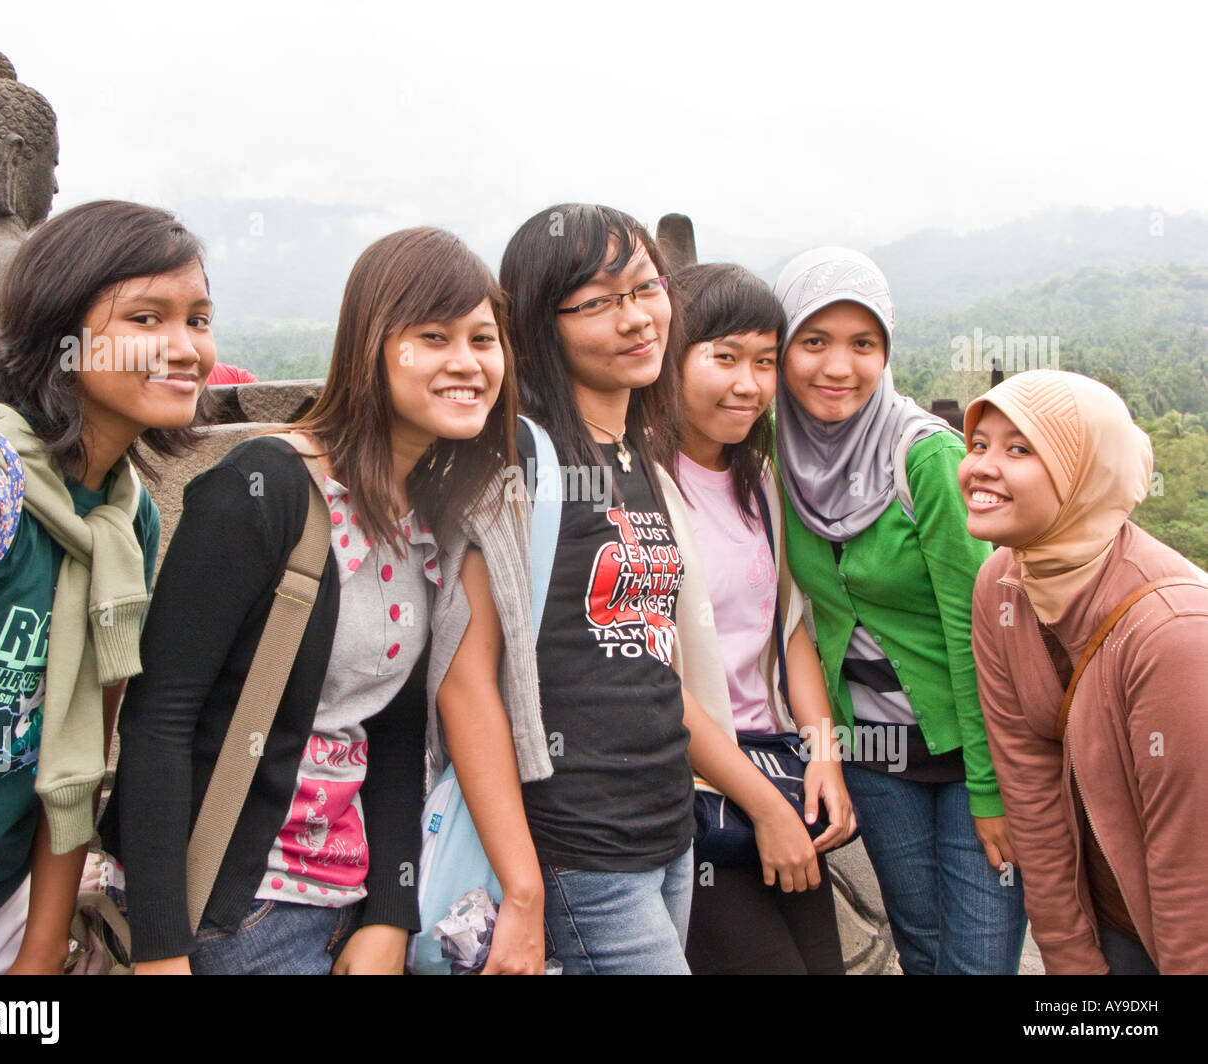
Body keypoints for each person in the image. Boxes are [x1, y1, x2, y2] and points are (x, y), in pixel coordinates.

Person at [103, 227, 515, 975]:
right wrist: (161, 950)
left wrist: (391, 911)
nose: (467, 362)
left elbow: (389, 730)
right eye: (433, 336)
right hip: (235, 913)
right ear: (371, 344)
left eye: (483, 339)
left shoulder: (421, 518)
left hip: (344, 906)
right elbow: (159, 718)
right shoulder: (263, 491)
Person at [434, 204, 828, 975]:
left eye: (645, 288)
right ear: (543, 324)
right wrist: (523, 890)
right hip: (580, 847)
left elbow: (653, 668)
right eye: (599, 302)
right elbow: (464, 679)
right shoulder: (519, 457)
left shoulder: (635, 459)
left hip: (668, 833)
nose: (637, 318)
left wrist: (759, 797)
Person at [0, 199, 211, 974]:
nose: (184, 349)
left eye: (198, 319)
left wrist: (41, 950)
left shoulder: (123, 518)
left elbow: (78, 747)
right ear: (60, 340)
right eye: (146, 319)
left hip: (4, 903)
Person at [772, 246, 1026, 974]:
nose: (838, 367)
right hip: (877, 760)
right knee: (919, 946)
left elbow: (982, 636)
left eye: (864, 344)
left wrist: (993, 787)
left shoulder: (927, 459)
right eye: (813, 341)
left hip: (972, 754)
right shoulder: (775, 453)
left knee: (976, 962)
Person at [960, 369, 1208, 974]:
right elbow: (1028, 784)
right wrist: (1071, 962)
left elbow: (1191, 868)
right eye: (979, 444)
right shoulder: (1002, 584)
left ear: (1084, 476)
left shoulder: (1173, 631)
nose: (982, 466)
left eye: (1020, 449)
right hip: (1111, 923)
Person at [668, 263, 852, 975]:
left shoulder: (760, 482)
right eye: (724, 357)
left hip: (776, 766)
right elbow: (650, 672)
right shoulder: (640, 490)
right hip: (697, 793)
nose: (749, 383)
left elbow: (791, 628)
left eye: (766, 361)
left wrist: (825, 757)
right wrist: (766, 810)